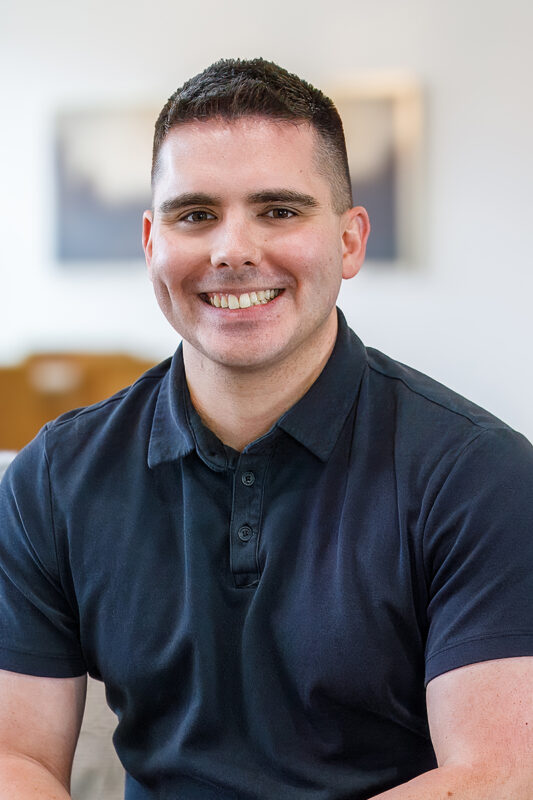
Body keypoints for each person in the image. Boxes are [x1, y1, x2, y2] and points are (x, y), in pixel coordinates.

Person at [0, 58, 532, 800]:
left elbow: (497, 776)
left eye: (279, 210)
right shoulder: (52, 478)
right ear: (152, 241)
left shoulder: (481, 476)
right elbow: (15, 757)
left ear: (349, 241)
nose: (232, 250)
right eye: (195, 215)